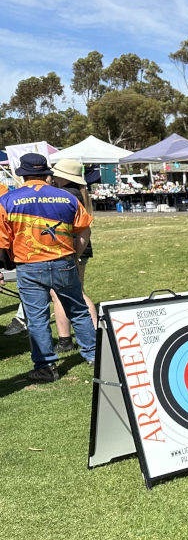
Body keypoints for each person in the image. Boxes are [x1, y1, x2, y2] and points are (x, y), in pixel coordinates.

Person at [0, 153, 97, 382]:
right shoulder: (67, 198)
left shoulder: (7, 200)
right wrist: (75, 255)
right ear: (46, 174)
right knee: (78, 310)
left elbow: (2, 241)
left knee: (37, 317)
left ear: (22, 175)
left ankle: (46, 366)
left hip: (29, 266)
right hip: (63, 261)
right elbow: (84, 230)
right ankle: (95, 356)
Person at [48, 158, 98, 352]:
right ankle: (85, 334)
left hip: (72, 247)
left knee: (66, 294)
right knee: (73, 292)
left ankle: (68, 338)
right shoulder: (79, 193)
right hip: (80, 246)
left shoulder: (66, 194)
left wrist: (74, 255)